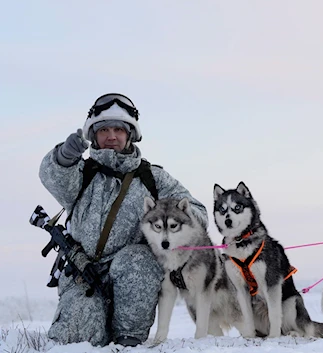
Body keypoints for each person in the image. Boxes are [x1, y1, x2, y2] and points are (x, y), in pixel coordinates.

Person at [39, 93, 208, 347]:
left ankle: (128, 340)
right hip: (82, 274)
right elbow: (54, 177)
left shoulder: (153, 178)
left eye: (119, 129)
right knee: (74, 341)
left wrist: (171, 224)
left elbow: (197, 214)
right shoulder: (82, 173)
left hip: (131, 272)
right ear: (93, 134)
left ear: (130, 134)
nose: (111, 136)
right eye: (104, 129)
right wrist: (64, 157)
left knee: (139, 260)